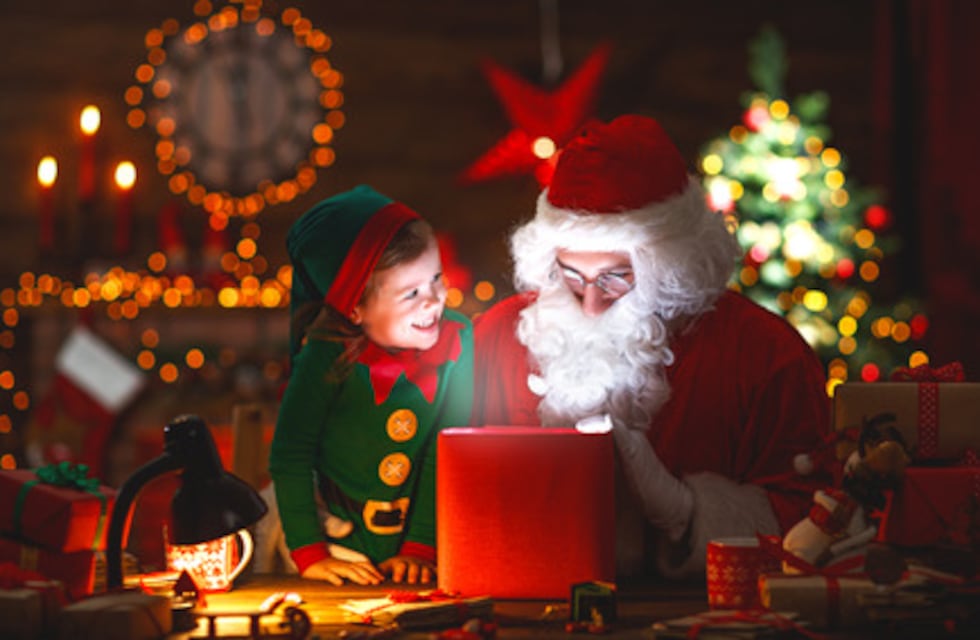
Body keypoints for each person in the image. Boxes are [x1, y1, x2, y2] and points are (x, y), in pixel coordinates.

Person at [471, 115, 832, 578]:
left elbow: (817, 522)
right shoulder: (497, 336)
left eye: (615, 277)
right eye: (570, 274)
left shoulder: (764, 352)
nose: (592, 302)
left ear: (668, 267)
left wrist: (689, 511)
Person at [269, 185, 473, 585]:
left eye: (436, 278)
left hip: (425, 547)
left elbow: (447, 449)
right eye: (410, 293)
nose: (433, 301)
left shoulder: (458, 342)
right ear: (356, 308)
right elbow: (291, 454)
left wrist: (420, 546)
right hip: (337, 544)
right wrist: (312, 555)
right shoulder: (327, 356)